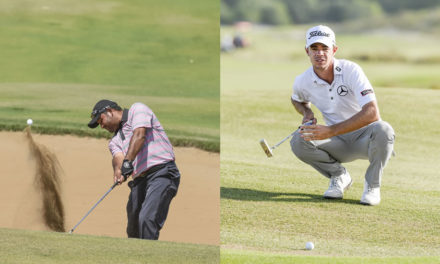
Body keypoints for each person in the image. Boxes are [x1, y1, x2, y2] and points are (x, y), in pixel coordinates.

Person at [289, 25, 395, 206]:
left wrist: (329, 131)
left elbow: (372, 112)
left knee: (384, 129)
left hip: (366, 139)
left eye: (325, 48)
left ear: (334, 50)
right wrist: (307, 111)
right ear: (307, 51)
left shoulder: (351, 70)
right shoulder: (302, 81)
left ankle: (372, 186)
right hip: (338, 142)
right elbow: (296, 99)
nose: (319, 53)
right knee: (299, 139)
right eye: (314, 48)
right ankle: (339, 176)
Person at [88, 99, 180, 239]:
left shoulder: (137, 110)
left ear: (109, 112)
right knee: (133, 225)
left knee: (147, 218)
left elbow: (139, 135)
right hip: (140, 181)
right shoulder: (114, 141)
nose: (101, 126)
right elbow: (118, 158)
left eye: (101, 121)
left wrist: (127, 162)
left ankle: (149, 257)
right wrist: (119, 171)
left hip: (162, 173)